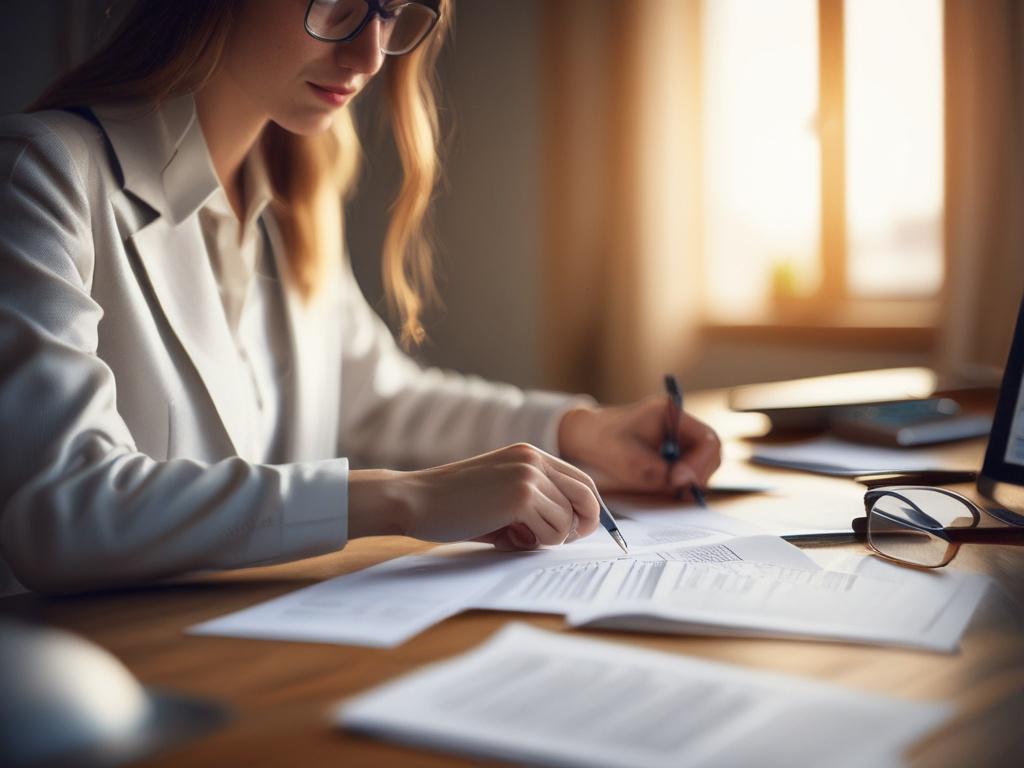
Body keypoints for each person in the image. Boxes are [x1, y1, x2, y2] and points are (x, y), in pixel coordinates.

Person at [0, 0, 720, 596]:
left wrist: (580, 433)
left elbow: (380, 400)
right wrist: (404, 499)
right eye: (337, 3)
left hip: (248, 657)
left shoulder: (290, 203)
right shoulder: (42, 176)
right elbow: (60, 506)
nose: (370, 55)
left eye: (392, 11)